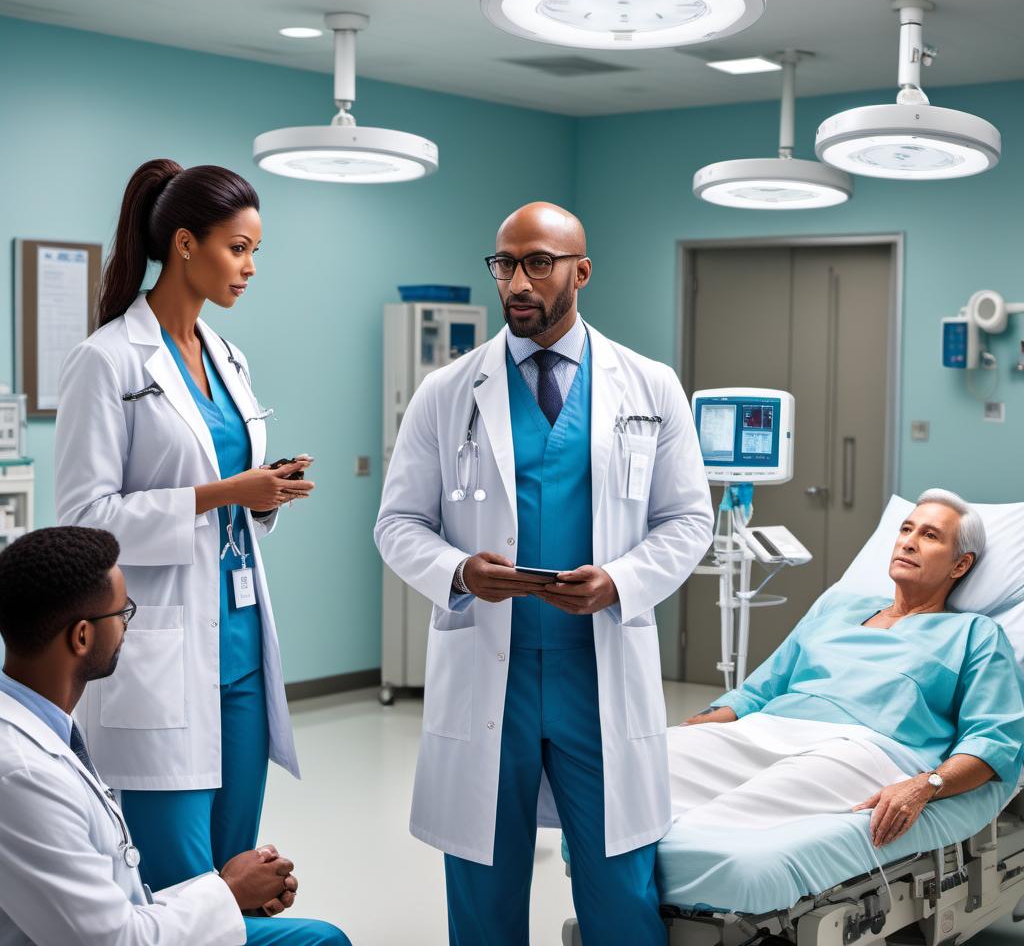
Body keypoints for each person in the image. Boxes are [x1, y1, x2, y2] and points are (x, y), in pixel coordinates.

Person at [375, 202, 714, 945]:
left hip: (597, 670)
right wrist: (460, 570)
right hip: (487, 667)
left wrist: (620, 581)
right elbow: (397, 524)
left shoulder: (650, 386)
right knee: (483, 888)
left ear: (580, 272)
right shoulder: (445, 392)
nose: (517, 282)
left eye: (538, 263)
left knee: (620, 885)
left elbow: (690, 520)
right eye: (504, 264)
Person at [54, 159, 316, 896]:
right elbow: (83, 523)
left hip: (239, 650)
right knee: (175, 885)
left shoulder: (228, 358)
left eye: (255, 251)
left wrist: (262, 499)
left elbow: (231, 506)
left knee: (236, 876)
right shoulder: (105, 361)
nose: (251, 268)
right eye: (239, 248)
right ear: (184, 245)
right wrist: (222, 491)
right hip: (159, 658)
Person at [0, 525, 350, 946]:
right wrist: (228, 892)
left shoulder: (46, 726)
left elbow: (116, 906)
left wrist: (229, 890)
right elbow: (116, 940)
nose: (129, 624)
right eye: (123, 612)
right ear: (82, 636)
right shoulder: (21, 774)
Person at [670, 489, 1024, 848]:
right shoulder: (839, 609)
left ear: (960, 565)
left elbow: (993, 739)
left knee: (711, 828)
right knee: (649, 767)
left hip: (859, 749)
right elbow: (757, 692)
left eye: (929, 536)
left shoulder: (974, 634)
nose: (909, 543)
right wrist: (692, 728)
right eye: (905, 530)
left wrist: (927, 784)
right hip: (764, 730)